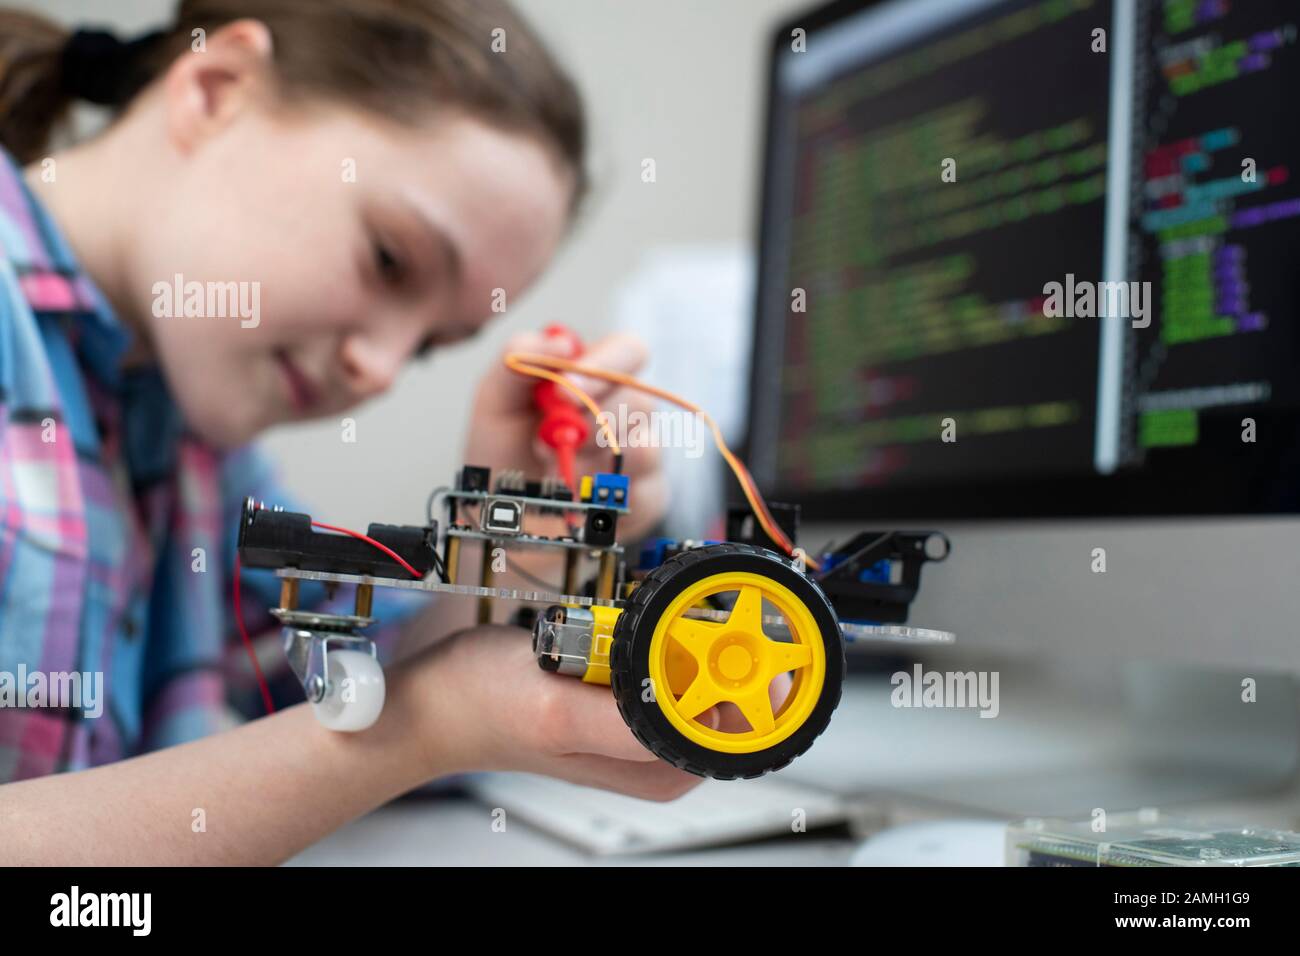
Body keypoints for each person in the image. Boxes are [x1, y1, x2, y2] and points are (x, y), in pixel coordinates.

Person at [0, 0, 692, 866]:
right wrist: (427, 725)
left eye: (432, 346)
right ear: (217, 90)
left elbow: (331, 690)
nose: (383, 368)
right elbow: (388, 722)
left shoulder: (180, 443)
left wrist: (510, 551)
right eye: (390, 259)